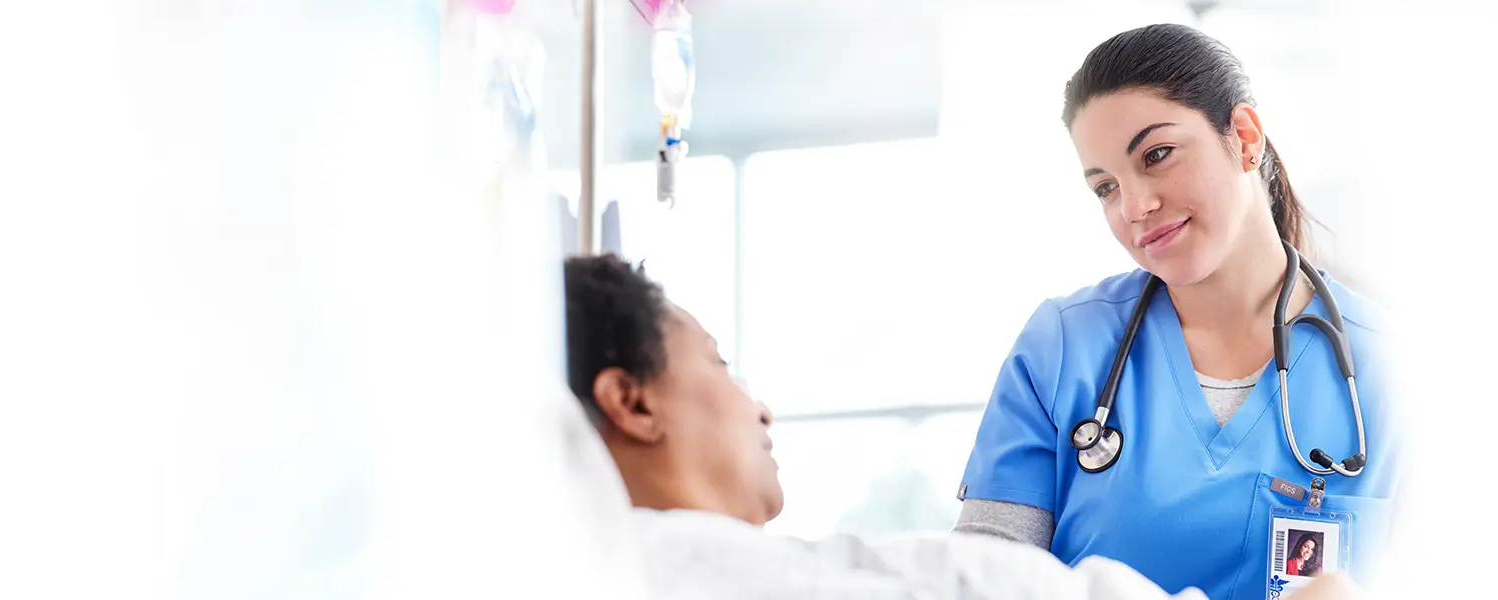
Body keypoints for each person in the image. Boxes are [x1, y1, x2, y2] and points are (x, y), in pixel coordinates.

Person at [564, 254, 1369, 600]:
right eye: (718, 364)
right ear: (631, 402)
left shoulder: (1379, 360)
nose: (759, 404)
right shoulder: (667, 567)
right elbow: (974, 577)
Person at [954, 24, 1400, 600]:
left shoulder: (1394, 369)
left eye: (1157, 155)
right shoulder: (1062, 347)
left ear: (1244, 138)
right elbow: (980, 582)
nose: (1135, 207)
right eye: (1105, 188)